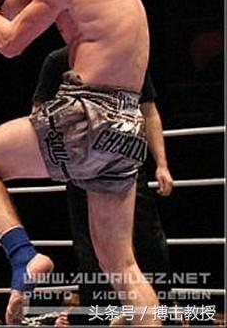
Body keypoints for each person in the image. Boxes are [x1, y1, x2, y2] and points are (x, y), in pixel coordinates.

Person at [0, 0, 161, 324]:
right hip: (127, 128)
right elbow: (15, 8)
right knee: (122, 265)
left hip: (89, 113)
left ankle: (24, 257)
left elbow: (8, 42)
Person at [33, 46, 174, 319]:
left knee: (148, 243)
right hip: (80, 167)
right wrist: (61, 155)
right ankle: (100, 318)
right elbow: (39, 115)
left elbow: (149, 110)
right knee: (91, 251)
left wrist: (162, 164)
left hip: (125, 163)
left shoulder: (127, 55)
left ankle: (160, 316)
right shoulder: (58, 61)